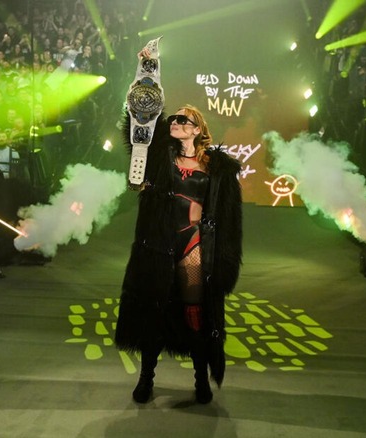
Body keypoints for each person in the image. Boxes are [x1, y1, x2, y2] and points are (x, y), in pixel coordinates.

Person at [115, 46, 243, 405]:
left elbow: (230, 221)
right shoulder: (158, 158)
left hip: (194, 247)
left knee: (195, 315)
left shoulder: (219, 168)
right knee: (154, 311)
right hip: (157, 245)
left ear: (198, 128)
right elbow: (140, 120)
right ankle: (146, 378)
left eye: (183, 121)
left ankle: (200, 378)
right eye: (173, 120)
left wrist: (225, 262)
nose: (175, 123)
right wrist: (146, 69)